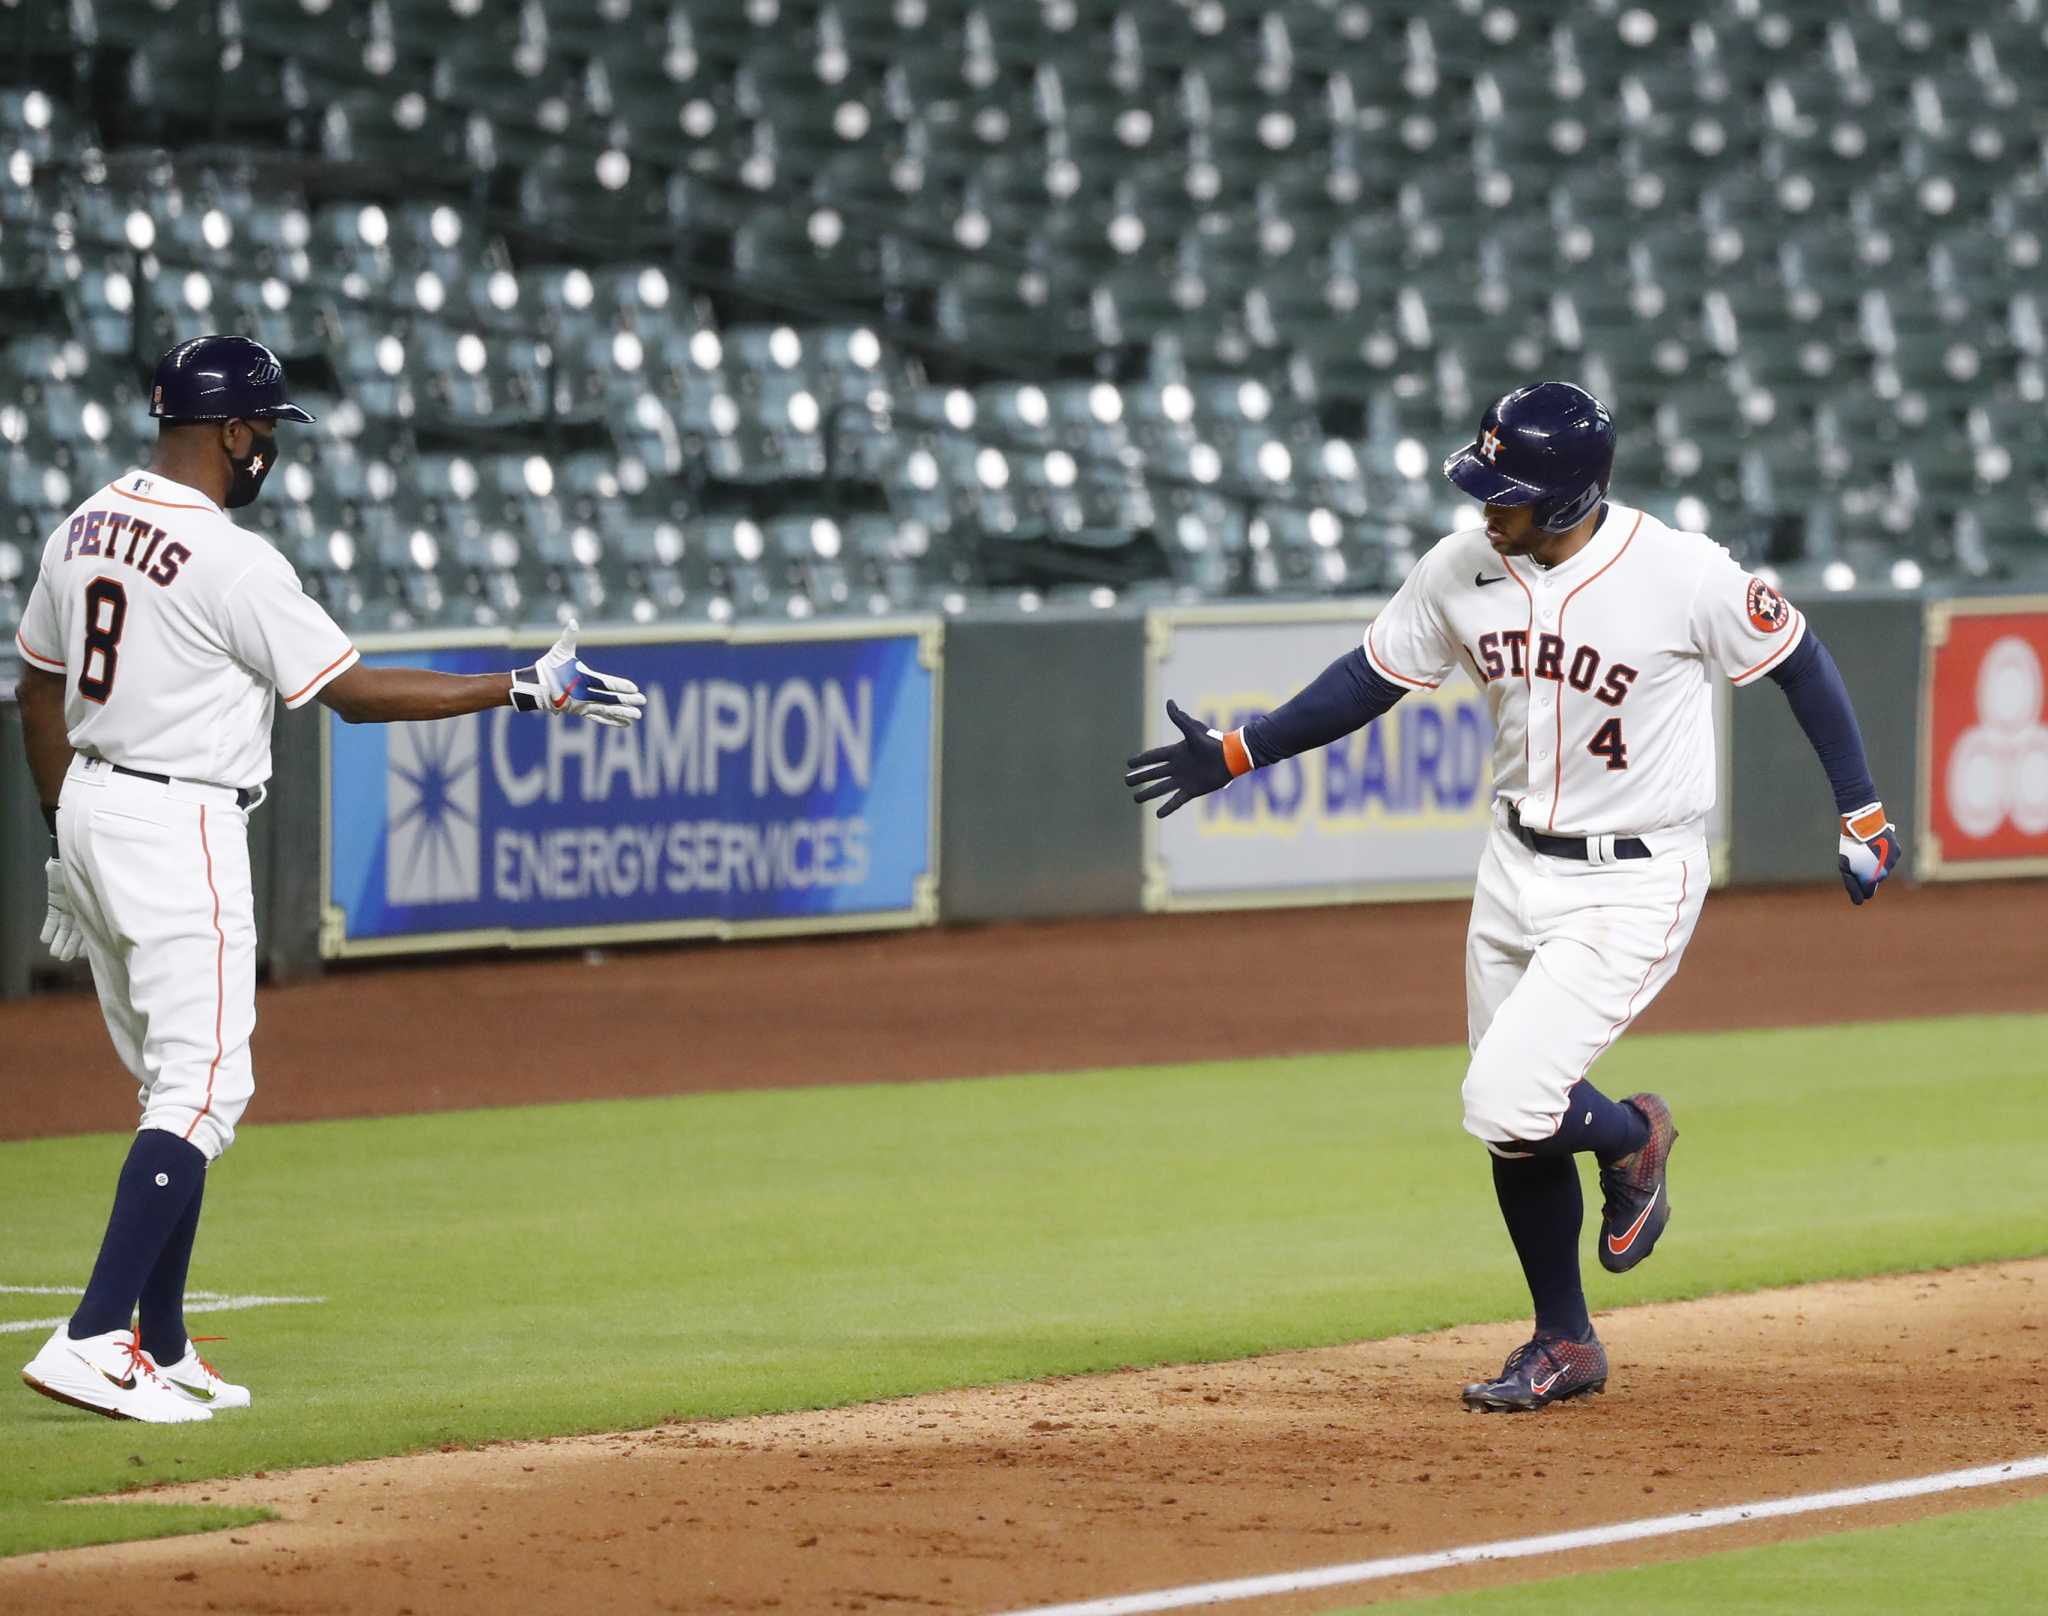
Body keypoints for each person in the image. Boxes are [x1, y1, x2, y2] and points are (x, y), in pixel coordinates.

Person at [1124, 381, 1900, 1412]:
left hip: (1633, 877)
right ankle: (1563, 1340)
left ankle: (1632, 1136)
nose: (1486, 507)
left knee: (1505, 1093)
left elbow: (1799, 661)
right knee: (1509, 1124)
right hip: (1510, 864)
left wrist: (1858, 806)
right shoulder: (1462, 566)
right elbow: (1368, 677)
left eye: (1509, 493)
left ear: (1572, 499)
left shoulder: (1680, 574)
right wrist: (1237, 747)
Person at [13, 334, 645, 1421]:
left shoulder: (84, 521)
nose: (269, 450)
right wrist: (523, 687)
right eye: (265, 430)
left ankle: (159, 1341)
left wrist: (61, 824)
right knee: (205, 1088)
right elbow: (352, 693)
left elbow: (34, 682)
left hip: (95, 805)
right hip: (179, 820)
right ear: (232, 431)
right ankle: (90, 1333)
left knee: (175, 1079)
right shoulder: (230, 558)